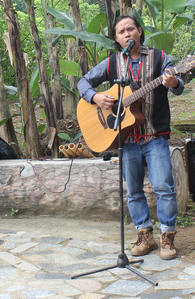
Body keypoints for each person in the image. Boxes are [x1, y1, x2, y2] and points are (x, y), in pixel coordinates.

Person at [77, 15, 184, 260]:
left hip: (154, 135)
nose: (127, 34)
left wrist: (174, 80)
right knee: (133, 191)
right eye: (121, 32)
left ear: (139, 32)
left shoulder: (159, 58)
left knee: (164, 188)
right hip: (125, 140)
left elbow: (178, 86)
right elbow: (84, 82)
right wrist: (96, 98)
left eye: (131, 29)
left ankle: (167, 238)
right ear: (116, 38)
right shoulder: (112, 63)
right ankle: (144, 236)